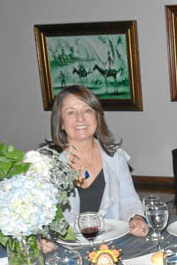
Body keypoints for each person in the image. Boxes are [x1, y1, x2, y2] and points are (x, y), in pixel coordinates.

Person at [50, 85, 147, 237]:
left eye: (87, 110)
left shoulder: (115, 157)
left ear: (97, 116)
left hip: (110, 247)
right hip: (66, 248)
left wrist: (136, 217)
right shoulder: (48, 164)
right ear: (61, 122)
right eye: (71, 113)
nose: (80, 118)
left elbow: (128, 199)